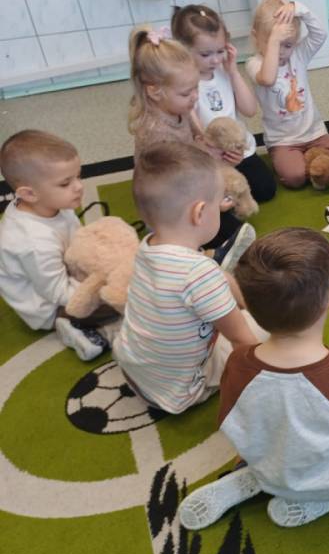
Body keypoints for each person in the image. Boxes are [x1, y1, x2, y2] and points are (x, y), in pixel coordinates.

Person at [178, 227, 329, 529]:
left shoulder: (238, 362)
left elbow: (233, 419)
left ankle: (257, 476)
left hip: (268, 463)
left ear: (249, 308)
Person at [113, 143, 266, 414]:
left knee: (220, 281)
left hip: (134, 370)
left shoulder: (147, 247)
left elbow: (215, 275)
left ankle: (237, 294)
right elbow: (243, 341)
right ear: (199, 213)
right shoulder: (199, 274)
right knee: (267, 324)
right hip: (180, 391)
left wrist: (242, 301)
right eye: (220, 202)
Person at [126, 25, 252, 256]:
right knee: (229, 232)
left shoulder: (178, 107)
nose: (195, 97)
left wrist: (220, 156)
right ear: (154, 92)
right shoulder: (154, 132)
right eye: (186, 93)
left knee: (232, 224)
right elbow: (177, 182)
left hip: (186, 181)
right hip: (171, 202)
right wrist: (215, 197)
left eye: (196, 88)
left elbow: (198, 138)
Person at [0, 131, 112, 360]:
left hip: (62, 275)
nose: (79, 187)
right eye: (65, 183)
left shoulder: (51, 204)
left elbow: (76, 238)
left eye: (78, 176)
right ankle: (68, 325)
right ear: (29, 194)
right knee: (121, 300)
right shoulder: (33, 243)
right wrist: (102, 290)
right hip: (49, 306)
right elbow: (57, 292)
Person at [247, 0, 329, 189]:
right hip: (283, 142)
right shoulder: (255, 64)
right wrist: (275, 40)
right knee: (295, 178)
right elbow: (268, 79)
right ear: (256, 37)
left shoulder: (298, 55)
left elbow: (320, 34)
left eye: (287, 45)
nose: (281, 51)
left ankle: (314, 160)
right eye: (273, 44)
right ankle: (315, 162)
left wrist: (298, 9)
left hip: (315, 134)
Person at [170, 3, 276, 204]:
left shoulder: (225, 72)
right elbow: (194, 131)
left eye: (220, 51)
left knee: (265, 189)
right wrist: (213, 152)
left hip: (237, 151)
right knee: (212, 196)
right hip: (208, 155)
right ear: (184, 50)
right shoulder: (185, 85)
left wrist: (233, 72)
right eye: (205, 54)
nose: (215, 60)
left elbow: (250, 110)